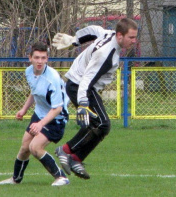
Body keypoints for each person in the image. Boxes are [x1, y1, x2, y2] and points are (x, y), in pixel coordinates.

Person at [52, 18, 138, 179]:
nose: (134, 41)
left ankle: (76, 159)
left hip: (80, 85)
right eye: (131, 37)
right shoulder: (106, 55)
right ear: (120, 35)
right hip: (80, 86)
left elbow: (94, 29)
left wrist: (76, 40)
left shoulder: (109, 34)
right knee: (102, 124)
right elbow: (87, 78)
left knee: (98, 125)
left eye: (135, 37)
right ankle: (66, 151)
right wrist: (83, 103)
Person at [0, 42, 70, 187]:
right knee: (24, 147)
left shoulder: (52, 78)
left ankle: (61, 177)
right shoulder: (29, 71)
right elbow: (35, 91)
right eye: (37, 57)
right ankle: (15, 179)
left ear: (47, 59)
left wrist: (40, 124)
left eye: (43, 58)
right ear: (30, 58)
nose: (40, 61)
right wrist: (24, 109)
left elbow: (57, 109)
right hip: (39, 114)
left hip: (56, 118)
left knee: (35, 148)